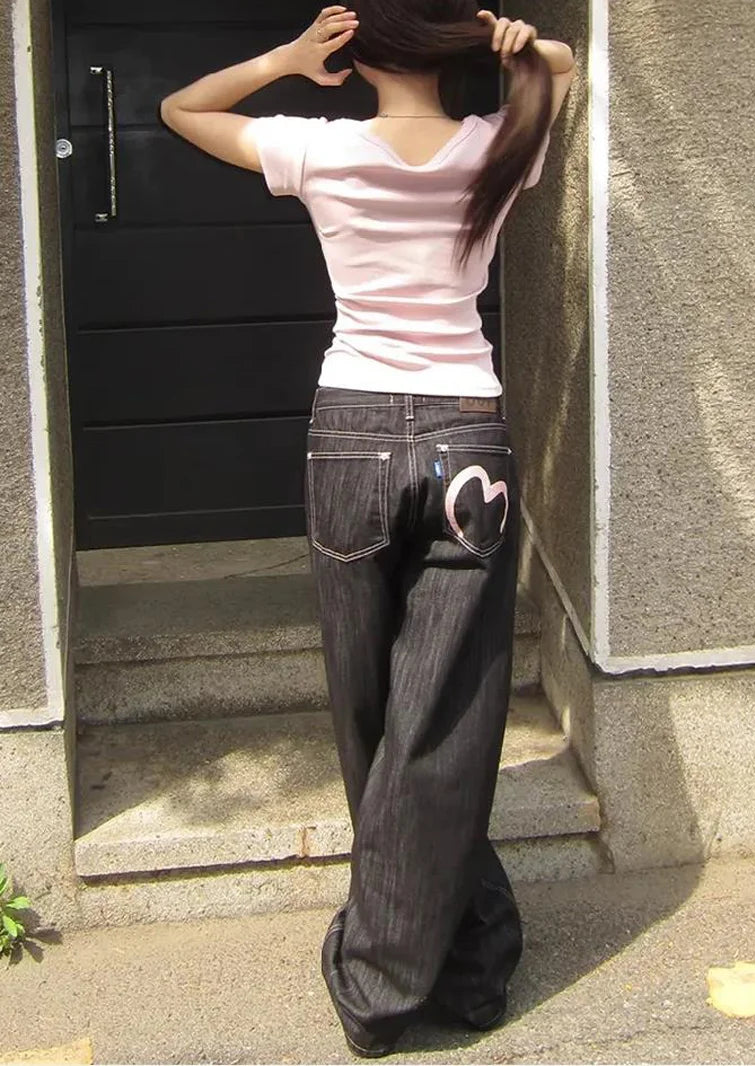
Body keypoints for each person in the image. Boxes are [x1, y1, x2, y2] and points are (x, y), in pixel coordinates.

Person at [160, 3, 575, 1056]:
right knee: (443, 716)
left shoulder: (318, 146)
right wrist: (503, 42)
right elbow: (561, 65)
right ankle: (471, 953)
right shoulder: (499, 140)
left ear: (364, 50)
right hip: (464, 440)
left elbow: (177, 107)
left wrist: (289, 61)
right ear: (445, 43)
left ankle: (379, 981)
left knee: (371, 716)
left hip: (349, 437)